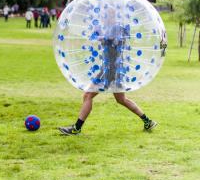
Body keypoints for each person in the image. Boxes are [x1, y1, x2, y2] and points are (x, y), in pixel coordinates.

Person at [59, 8, 157, 136]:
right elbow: (107, 38)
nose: (103, 18)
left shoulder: (116, 27)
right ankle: (147, 121)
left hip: (110, 69)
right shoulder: (112, 27)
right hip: (114, 68)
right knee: (121, 99)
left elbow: (112, 40)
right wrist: (99, 33)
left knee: (87, 96)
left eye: (105, 15)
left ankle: (76, 129)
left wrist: (100, 36)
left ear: (111, 15)